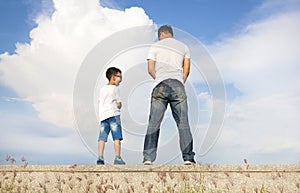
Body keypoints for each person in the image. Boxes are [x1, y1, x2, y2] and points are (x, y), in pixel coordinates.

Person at [143, 25, 196, 165]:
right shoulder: (184, 47)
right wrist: (179, 82)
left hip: (160, 85)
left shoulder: (155, 46)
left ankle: (148, 159)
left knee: (154, 123)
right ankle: (188, 158)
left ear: (161, 34)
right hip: (178, 85)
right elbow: (187, 70)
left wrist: (159, 77)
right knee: (183, 123)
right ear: (171, 34)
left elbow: (150, 69)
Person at [97, 67, 125, 165]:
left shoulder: (102, 89)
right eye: (119, 77)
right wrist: (120, 105)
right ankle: (117, 157)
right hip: (113, 114)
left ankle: (100, 157)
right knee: (116, 137)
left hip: (104, 116)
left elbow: (100, 102)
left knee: (102, 137)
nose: (120, 80)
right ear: (113, 77)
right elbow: (118, 103)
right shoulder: (115, 89)